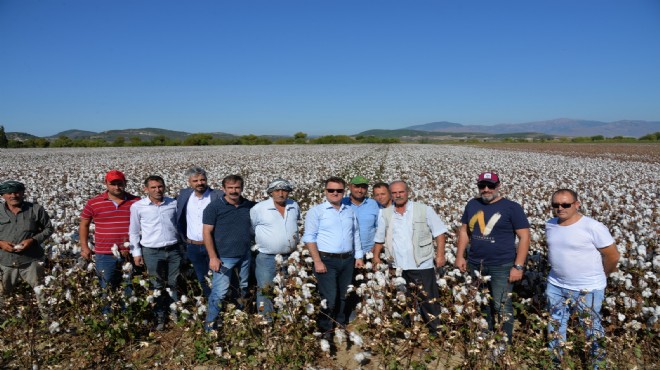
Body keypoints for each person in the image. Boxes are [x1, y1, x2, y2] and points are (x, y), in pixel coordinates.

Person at [545, 189, 620, 367]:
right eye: (555, 205)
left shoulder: (593, 227)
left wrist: (603, 276)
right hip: (556, 285)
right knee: (555, 324)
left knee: (591, 328)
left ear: (577, 204)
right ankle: (557, 362)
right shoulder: (550, 224)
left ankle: (598, 364)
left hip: (588, 288)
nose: (560, 208)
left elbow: (613, 256)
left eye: (565, 204)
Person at [454, 171, 530, 344]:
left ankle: (504, 343)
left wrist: (518, 266)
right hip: (475, 264)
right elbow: (465, 231)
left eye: (490, 186)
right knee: (481, 303)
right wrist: (460, 256)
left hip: (502, 266)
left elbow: (524, 237)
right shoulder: (472, 204)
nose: (486, 189)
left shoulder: (512, 208)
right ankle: (485, 336)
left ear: (498, 186)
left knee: (502, 305)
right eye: (482, 186)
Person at [372, 181, 447, 334]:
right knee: (402, 299)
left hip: (422, 263)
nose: (398, 195)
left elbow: (439, 233)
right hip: (398, 265)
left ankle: (435, 331)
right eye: (394, 193)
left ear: (408, 192)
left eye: (401, 192)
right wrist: (376, 257)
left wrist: (440, 255)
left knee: (428, 300)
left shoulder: (424, 210)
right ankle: (407, 330)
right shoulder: (385, 214)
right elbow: (379, 238)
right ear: (390, 195)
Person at [302, 176, 363, 339]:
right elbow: (309, 237)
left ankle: (341, 324)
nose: (335, 193)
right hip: (326, 260)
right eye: (331, 190)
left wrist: (358, 256)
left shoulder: (349, 210)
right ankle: (326, 331)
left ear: (344, 192)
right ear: (325, 191)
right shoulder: (316, 211)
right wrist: (317, 261)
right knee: (329, 296)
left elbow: (355, 233)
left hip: (348, 260)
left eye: (339, 190)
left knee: (344, 295)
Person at [202, 175, 255, 331]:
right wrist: (213, 257)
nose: (234, 191)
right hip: (223, 257)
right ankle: (210, 326)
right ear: (223, 189)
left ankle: (237, 319)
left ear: (242, 188)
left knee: (243, 287)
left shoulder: (250, 206)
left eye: (237, 187)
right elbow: (206, 233)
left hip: (245, 255)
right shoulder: (214, 207)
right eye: (230, 188)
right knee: (219, 291)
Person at [129, 175, 182, 331]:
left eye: (160, 186)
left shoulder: (173, 203)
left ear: (164, 187)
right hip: (151, 251)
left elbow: (179, 226)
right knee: (156, 284)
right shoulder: (138, 207)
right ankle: (159, 315)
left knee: (174, 282)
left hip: (173, 249)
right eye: (153, 187)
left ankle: (175, 313)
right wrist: (136, 253)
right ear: (146, 189)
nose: (157, 190)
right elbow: (133, 231)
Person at [79, 170, 139, 303]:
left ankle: (126, 316)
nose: (117, 187)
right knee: (106, 287)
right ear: (105, 184)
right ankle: (108, 317)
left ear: (125, 183)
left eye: (120, 183)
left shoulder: (136, 202)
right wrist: (84, 246)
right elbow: (84, 224)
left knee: (128, 287)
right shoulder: (93, 203)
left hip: (129, 253)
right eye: (113, 184)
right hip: (104, 254)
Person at [0, 180, 54, 319]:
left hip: (32, 260)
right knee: (3, 293)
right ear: (3, 195)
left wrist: (32, 240)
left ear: (23, 193)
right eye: (9, 193)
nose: (13, 195)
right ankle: (5, 322)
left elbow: (48, 228)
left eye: (17, 192)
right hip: (5, 261)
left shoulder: (36, 209)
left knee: (41, 291)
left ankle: (50, 321)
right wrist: (1, 244)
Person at [250, 178, 300, 319]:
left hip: (289, 257)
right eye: (277, 190)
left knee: (288, 288)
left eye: (284, 190)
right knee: (265, 290)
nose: (281, 193)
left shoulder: (294, 205)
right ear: (270, 192)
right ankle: (266, 321)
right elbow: (252, 229)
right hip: (267, 257)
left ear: (288, 192)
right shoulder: (259, 208)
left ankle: (286, 318)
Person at [175, 166, 223, 298]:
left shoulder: (217, 195)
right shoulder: (184, 195)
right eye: (195, 180)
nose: (199, 183)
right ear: (189, 182)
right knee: (202, 277)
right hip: (193, 246)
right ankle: (210, 302)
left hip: (213, 246)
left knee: (218, 277)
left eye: (202, 180)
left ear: (207, 180)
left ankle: (221, 304)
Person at [341, 176, 380, 256]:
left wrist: (377, 247)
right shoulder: (341, 203)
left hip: (369, 252)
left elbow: (380, 227)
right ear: (350, 186)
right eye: (357, 186)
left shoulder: (374, 204)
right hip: (346, 253)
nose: (360, 190)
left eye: (363, 187)